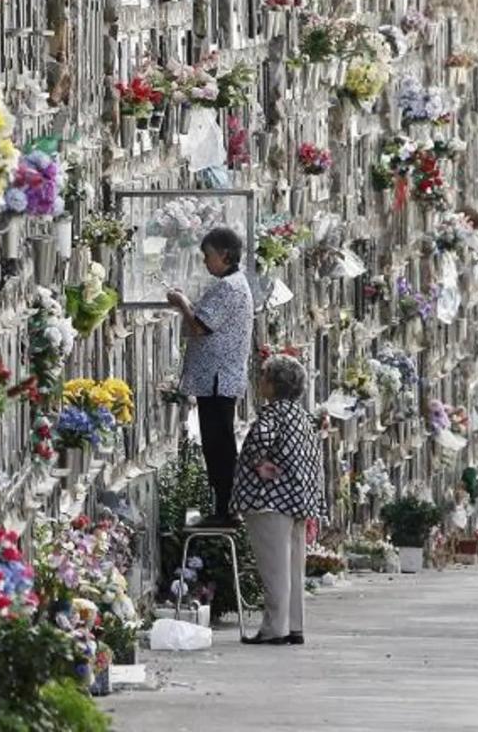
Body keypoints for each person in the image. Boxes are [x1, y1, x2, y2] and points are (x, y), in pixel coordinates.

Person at [233, 354, 324, 645]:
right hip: (299, 500)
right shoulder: (302, 416)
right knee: (294, 567)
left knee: (274, 569)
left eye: (264, 378)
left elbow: (258, 442)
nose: (260, 382)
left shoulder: (273, 414)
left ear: (274, 385)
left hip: (271, 500)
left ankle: (274, 629)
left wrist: (257, 463)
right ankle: (294, 626)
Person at [166, 226, 253, 526]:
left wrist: (181, 303)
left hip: (218, 379)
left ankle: (226, 510)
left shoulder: (228, 287)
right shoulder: (235, 284)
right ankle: (225, 507)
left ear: (225, 256)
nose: (205, 261)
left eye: (208, 256)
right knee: (218, 444)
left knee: (219, 446)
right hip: (219, 378)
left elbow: (200, 326)